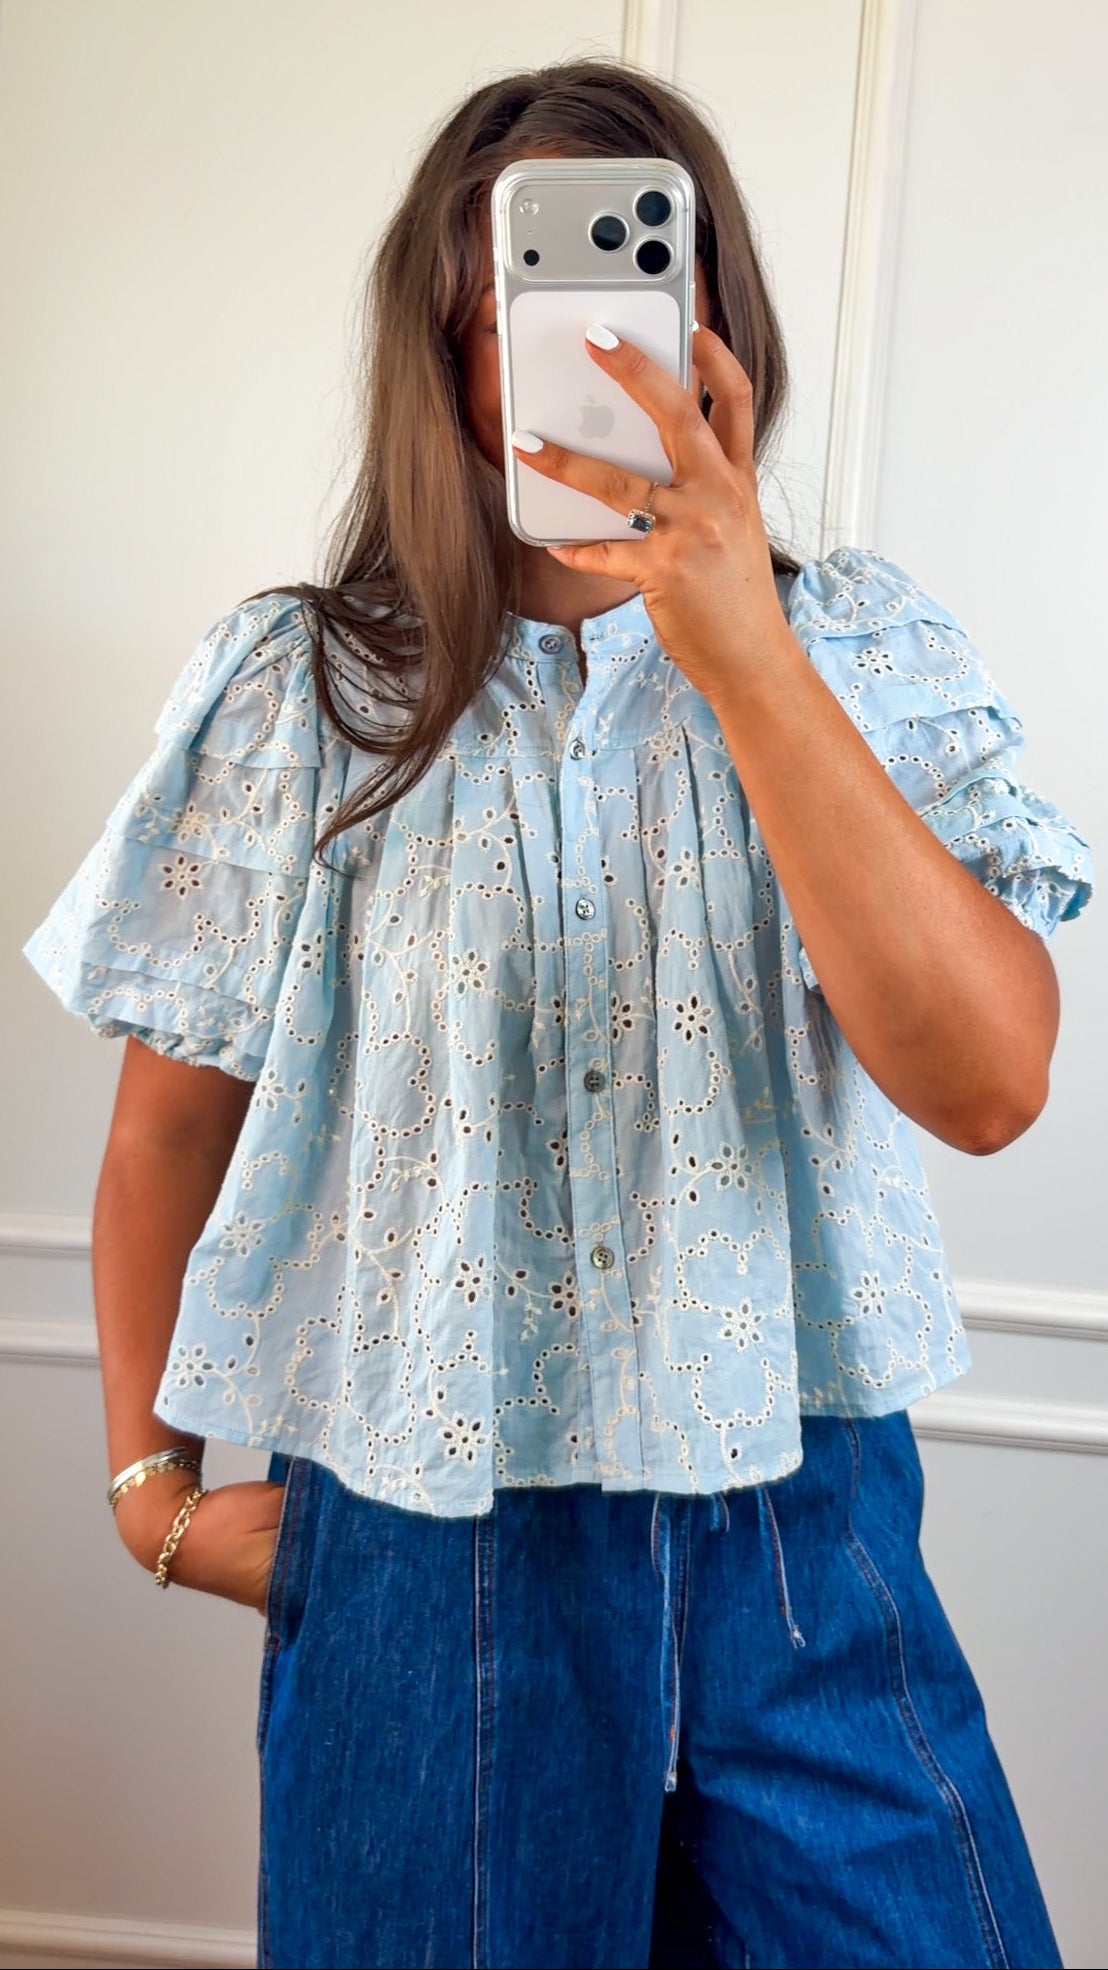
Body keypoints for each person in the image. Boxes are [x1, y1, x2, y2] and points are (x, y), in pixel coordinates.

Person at [23, 56, 1094, 1970]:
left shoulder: (860, 643)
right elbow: (165, 1127)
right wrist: (148, 1493)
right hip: (432, 1563)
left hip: (804, 1540)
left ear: (714, 321)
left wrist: (737, 640)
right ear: (445, 336)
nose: (578, 341)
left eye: (631, 279)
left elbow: (995, 1078)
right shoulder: (304, 690)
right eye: (527, 286)